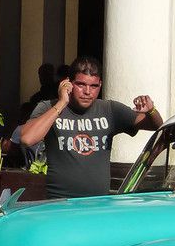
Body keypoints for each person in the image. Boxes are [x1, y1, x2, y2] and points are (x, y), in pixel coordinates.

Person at [19, 55, 163, 198]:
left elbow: (157, 126)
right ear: (68, 83)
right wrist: (62, 103)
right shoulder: (48, 107)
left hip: (98, 205)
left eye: (93, 86)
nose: (88, 92)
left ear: (100, 85)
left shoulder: (109, 109)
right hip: (60, 203)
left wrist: (151, 110)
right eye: (81, 84)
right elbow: (27, 138)